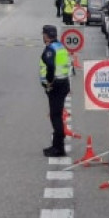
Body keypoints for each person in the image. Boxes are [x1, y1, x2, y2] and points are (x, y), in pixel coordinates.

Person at [39, 25, 71, 156]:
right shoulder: (61, 46)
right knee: (57, 114)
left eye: (43, 34)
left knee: (55, 116)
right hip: (63, 83)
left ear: (46, 35)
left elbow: (50, 66)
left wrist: (49, 82)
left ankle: (58, 148)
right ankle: (57, 146)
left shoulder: (50, 49)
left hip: (55, 85)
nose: (43, 36)